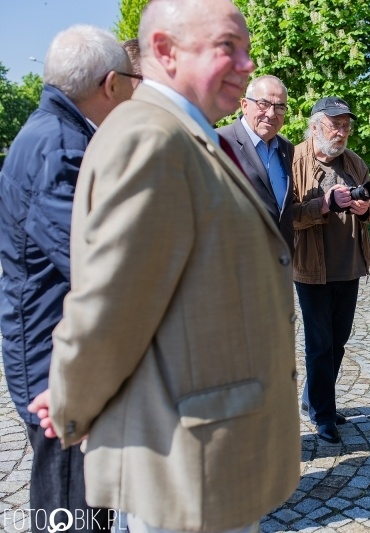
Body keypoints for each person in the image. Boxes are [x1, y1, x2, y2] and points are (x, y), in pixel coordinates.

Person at [29, 0, 300, 532]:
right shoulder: (151, 138)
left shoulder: (187, 135)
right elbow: (109, 306)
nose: (246, 67)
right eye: (229, 48)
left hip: (207, 449)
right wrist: (71, 401)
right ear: (163, 50)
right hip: (182, 460)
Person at [0, 24, 134, 532]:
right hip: (53, 362)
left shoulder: (55, 132)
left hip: (54, 347)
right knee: (72, 510)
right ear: (109, 83)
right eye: (130, 78)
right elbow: (95, 265)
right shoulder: (60, 147)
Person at [292, 96, 370, 444]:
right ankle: (323, 415)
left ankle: (314, 399)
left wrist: (363, 208)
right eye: (335, 125)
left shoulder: (354, 162)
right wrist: (325, 204)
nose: (342, 132)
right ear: (315, 126)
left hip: (348, 266)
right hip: (312, 268)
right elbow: (287, 216)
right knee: (319, 343)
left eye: (346, 126)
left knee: (339, 342)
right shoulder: (294, 159)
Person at [217, 75, 294, 249]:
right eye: (263, 104)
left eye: (280, 107)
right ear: (245, 105)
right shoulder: (218, 142)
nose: (271, 114)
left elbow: (284, 210)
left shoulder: (286, 148)